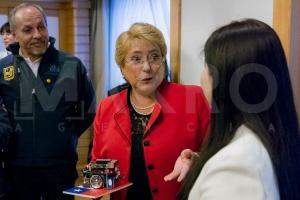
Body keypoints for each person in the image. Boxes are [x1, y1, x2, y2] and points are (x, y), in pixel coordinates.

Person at [175, 19, 300, 200]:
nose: (202, 77)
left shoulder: (236, 165)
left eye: (207, 67)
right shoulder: (270, 137)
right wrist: (204, 166)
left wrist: (217, 169)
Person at [91, 22, 210, 200]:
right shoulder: (107, 107)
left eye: (154, 57)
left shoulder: (193, 97)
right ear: (122, 67)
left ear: (163, 61)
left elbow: (217, 152)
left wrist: (196, 159)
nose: (147, 67)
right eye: (136, 59)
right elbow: (97, 163)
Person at [0, 3, 95, 199]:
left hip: (60, 166)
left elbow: (88, 109)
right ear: (15, 34)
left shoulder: (71, 65)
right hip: (17, 168)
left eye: (41, 26)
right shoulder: (3, 69)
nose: (37, 34)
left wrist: (65, 133)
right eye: (28, 29)